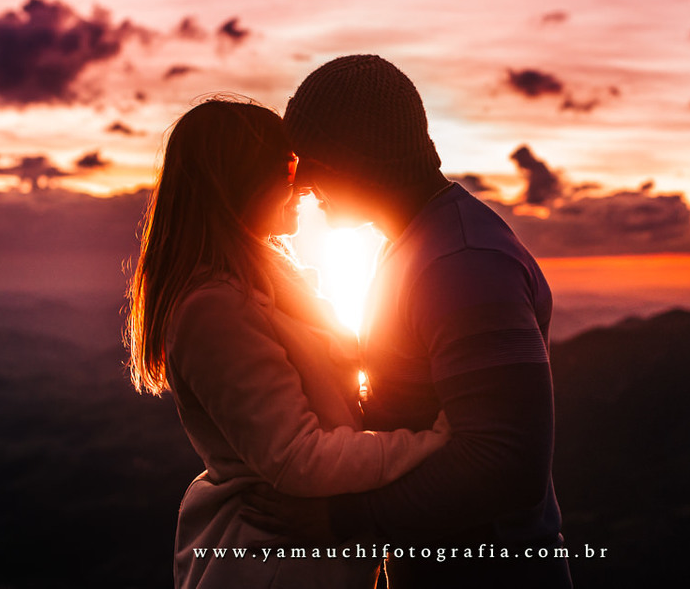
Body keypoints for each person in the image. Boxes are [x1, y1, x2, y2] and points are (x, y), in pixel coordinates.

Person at [273, 55, 573, 588]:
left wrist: (337, 522)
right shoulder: (421, 243)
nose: (303, 182)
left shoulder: (463, 261)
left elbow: (506, 465)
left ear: (360, 155)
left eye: (315, 159)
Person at [124, 97, 448, 589]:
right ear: (236, 178)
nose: (303, 185)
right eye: (288, 166)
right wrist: (433, 444)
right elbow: (299, 458)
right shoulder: (213, 308)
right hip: (269, 563)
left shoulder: (266, 282)